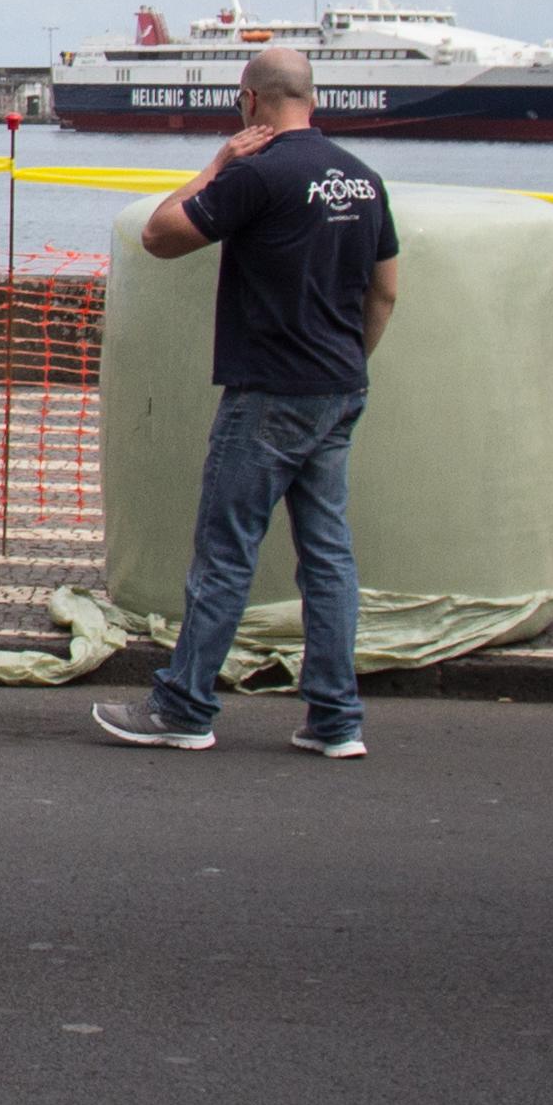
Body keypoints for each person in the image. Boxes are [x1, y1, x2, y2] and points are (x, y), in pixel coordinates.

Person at [96, 40, 400, 760]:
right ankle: (335, 718)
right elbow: (385, 289)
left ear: (250, 101)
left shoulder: (257, 175)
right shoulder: (363, 179)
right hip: (338, 386)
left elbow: (160, 234)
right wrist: (349, 364)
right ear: (313, 98)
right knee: (327, 556)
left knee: (225, 553)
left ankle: (185, 706)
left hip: (267, 388)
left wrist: (217, 164)